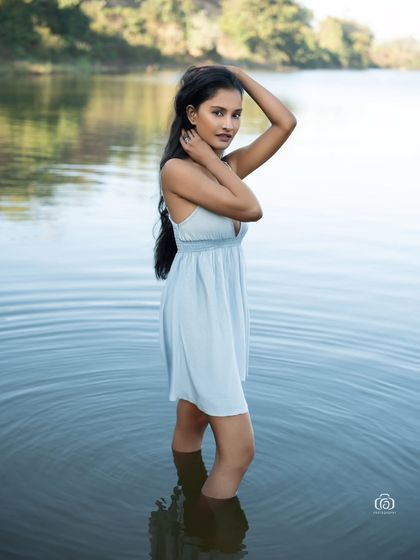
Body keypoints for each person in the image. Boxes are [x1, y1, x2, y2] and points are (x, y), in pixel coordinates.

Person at [154, 64, 297, 499]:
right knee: (239, 452)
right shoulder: (179, 172)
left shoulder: (223, 169)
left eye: (236, 115)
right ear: (191, 115)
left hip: (223, 307)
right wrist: (204, 160)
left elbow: (285, 123)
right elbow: (251, 209)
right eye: (219, 113)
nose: (231, 125)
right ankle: (208, 534)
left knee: (194, 417)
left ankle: (180, 515)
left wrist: (236, 73)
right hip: (198, 312)